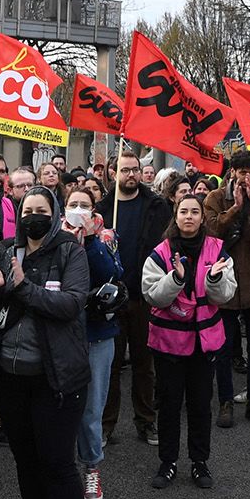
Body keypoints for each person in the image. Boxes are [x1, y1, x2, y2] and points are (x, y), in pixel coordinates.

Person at [0, 187, 92, 499]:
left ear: (55, 213)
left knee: (57, 463)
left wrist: (22, 288)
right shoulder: (7, 250)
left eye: (42, 211)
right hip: (10, 377)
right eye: (28, 211)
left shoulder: (70, 253)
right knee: (26, 461)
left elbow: (71, 304)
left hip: (57, 380)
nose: (33, 217)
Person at [141, 197, 238, 488]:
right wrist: (176, 279)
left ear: (201, 217)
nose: (189, 217)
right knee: (170, 404)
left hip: (204, 341)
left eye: (195, 212)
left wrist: (215, 278)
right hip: (169, 341)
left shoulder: (218, 250)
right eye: (184, 211)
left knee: (200, 404)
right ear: (176, 215)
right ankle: (167, 461)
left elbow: (226, 295)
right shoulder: (161, 252)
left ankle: (200, 461)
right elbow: (152, 295)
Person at [202, 149, 250, 428]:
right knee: (223, 347)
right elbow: (210, 232)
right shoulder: (214, 198)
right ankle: (225, 402)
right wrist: (234, 208)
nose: (246, 177)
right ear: (232, 172)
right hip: (224, 283)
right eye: (242, 171)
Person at [100, 153, 174, 446]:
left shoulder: (156, 206)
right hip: (112, 297)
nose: (131, 175)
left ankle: (146, 422)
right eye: (125, 170)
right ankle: (106, 424)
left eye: (135, 170)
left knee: (144, 365)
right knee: (111, 365)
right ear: (113, 172)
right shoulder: (105, 208)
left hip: (144, 298)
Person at [58, 185, 123, 499]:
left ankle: (91, 468)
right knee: (56, 406)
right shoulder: (53, 236)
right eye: (74, 205)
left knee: (90, 409)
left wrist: (93, 241)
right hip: (59, 335)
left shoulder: (106, 238)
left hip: (96, 334)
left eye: (86, 205)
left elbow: (113, 274)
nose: (79, 210)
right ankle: (59, 469)